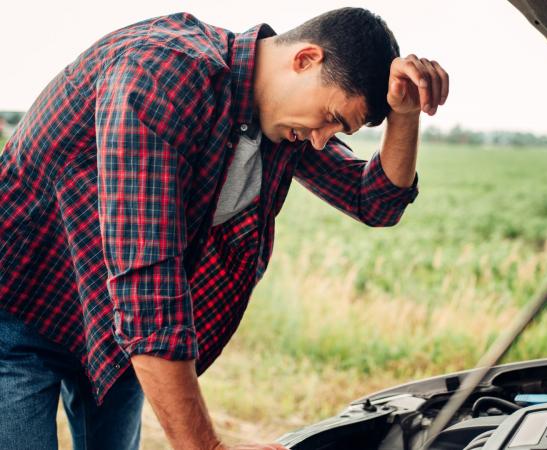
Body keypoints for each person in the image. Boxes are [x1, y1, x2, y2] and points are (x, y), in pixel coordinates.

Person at [0, 7, 448, 449]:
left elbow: (375, 201)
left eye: (337, 129)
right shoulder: (161, 73)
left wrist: (405, 115)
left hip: (110, 322)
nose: (321, 138)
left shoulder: (282, 118)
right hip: (21, 308)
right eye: (331, 117)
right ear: (305, 59)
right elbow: (149, 290)